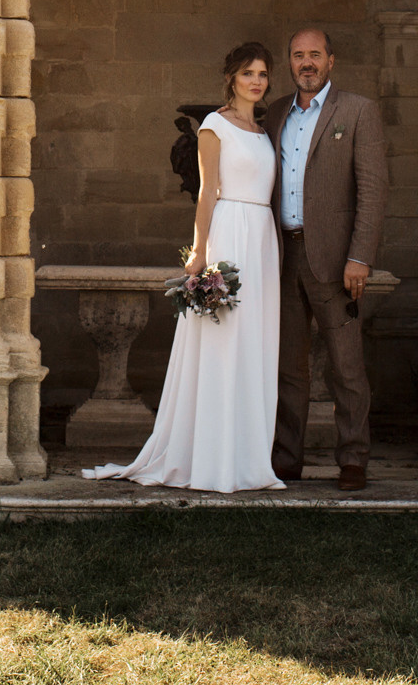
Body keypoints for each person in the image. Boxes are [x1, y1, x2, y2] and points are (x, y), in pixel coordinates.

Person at [84, 41, 283, 493]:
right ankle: (211, 458)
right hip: (230, 233)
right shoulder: (214, 125)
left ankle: (249, 458)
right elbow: (207, 190)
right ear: (231, 77)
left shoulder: (263, 130)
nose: (256, 81)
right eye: (248, 72)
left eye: (263, 74)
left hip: (263, 238)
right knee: (222, 342)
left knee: (254, 344)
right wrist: (199, 252)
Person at [265, 26, 387, 491]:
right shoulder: (275, 112)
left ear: (331, 61)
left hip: (337, 261)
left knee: (346, 366)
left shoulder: (357, 111)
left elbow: (373, 191)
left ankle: (353, 459)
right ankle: (286, 460)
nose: (306, 63)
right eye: (298, 55)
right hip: (283, 255)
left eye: (315, 54)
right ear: (290, 62)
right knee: (287, 368)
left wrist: (360, 257)